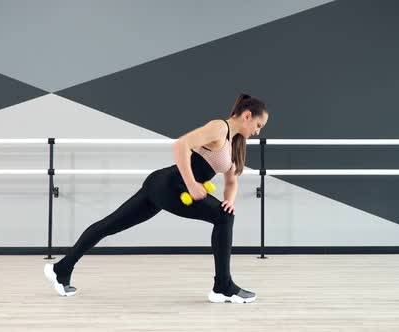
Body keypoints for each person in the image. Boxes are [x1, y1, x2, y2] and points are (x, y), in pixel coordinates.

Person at [44, 93, 268, 303]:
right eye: (258, 125)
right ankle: (222, 287)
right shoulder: (219, 128)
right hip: (170, 185)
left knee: (110, 225)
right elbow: (181, 144)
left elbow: (231, 181)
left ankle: (61, 269)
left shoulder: (235, 143)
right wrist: (191, 184)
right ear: (247, 115)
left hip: (164, 186)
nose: (258, 131)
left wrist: (229, 200)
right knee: (223, 219)